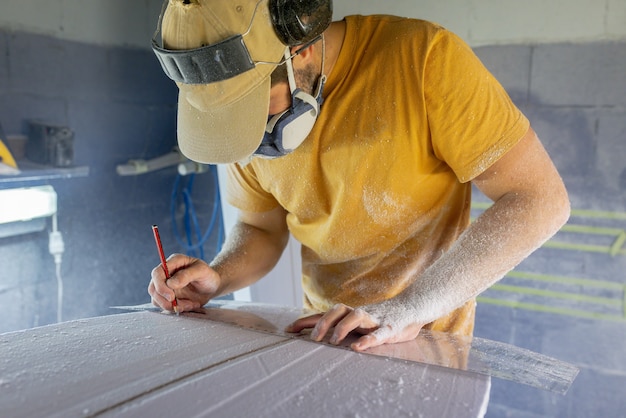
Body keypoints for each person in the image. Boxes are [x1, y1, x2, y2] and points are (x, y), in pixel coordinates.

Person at [148, 0, 570, 352]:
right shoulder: (240, 123)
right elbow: (261, 227)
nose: (249, 135)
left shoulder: (424, 59)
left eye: (255, 108)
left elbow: (540, 200)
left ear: (303, 51)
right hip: (320, 338)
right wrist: (219, 277)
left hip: (424, 342)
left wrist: (409, 309)